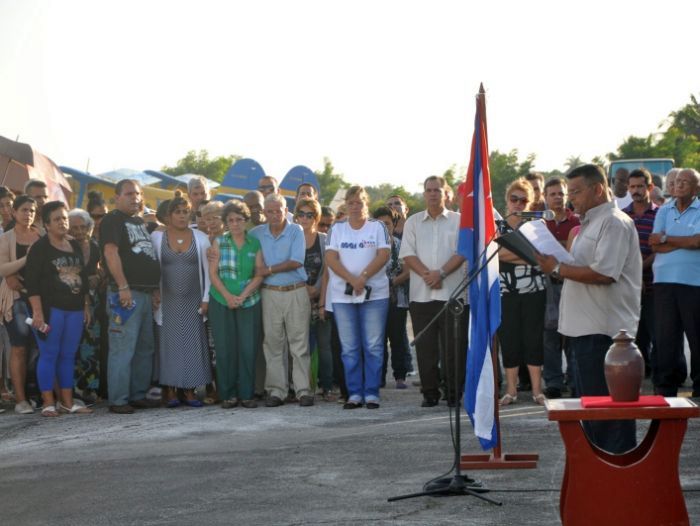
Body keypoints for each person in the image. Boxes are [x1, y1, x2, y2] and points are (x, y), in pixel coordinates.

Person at [536, 164, 641, 454]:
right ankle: (602, 472)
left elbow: (605, 273)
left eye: (577, 192)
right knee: (591, 411)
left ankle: (618, 472)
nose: (571, 199)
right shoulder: (589, 224)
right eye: (570, 192)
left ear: (597, 189)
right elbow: (582, 269)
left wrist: (557, 267)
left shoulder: (614, 222)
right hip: (583, 330)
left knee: (608, 415)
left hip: (605, 334)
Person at [399, 175, 468, 408]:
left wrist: (442, 273)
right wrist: (429, 274)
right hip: (422, 295)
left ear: (446, 193)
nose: (432, 194)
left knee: (454, 349)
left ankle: (453, 394)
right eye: (428, 190)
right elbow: (407, 254)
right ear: (423, 193)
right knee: (426, 348)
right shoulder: (413, 222)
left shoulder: (460, 220)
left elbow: (463, 251)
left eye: (437, 190)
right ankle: (429, 393)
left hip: (453, 294)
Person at [25, 201, 92, 416]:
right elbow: (32, 283)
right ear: (46, 224)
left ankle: (67, 402)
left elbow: (82, 278)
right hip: (50, 309)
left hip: (74, 309)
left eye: (64, 218)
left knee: (68, 355)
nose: (63, 223)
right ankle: (48, 403)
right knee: (49, 354)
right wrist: (37, 312)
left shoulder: (75, 246)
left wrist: (86, 305)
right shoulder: (39, 248)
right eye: (57, 219)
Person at [325, 186, 390, 409]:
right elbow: (331, 258)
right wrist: (352, 280)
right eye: (351, 202)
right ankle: (354, 393)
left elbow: (384, 254)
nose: (355, 206)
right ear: (346, 205)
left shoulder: (377, 227)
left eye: (359, 202)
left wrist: (363, 277)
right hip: (343, 296)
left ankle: (371, 393)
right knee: (349, 347)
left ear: (366, 204)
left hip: (375, 294)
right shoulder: (337, 229)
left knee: (373, 345)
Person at [100, 179, 161, 414]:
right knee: (122, 348)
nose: (134, 198)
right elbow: (110, 252)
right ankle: (118, 400)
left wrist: (154, 289)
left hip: (145, 294)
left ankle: (137, 395)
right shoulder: (112, 220)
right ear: (117, 197)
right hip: (124, 294)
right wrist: (122, 285)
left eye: (137, 194)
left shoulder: (138, 222)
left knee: (145, 348)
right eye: (128, 194)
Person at [251, 194, 313, 407]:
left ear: (286, 210)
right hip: (269, 293)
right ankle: (277, 391)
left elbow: (296, 261)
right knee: (273, 344)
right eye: (270, 211)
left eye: (279, 210)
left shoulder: (295, 230)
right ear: (264, 213)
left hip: (295, 291)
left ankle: (303, 390)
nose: (275, 214)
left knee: (299, 344)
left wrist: (267, 269)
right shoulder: (256, 233)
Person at [152, 196, 212, 408]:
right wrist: (153, 293)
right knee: (169, 347)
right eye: (177, 212)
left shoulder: (202, 238)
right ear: (168, 216)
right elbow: (152, 270)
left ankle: (189, 390)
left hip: (193, 302)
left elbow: (209, 273)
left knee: (192, 345)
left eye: (185, 212)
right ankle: (169, 390)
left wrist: (206, 299)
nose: (182, 216)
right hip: (167, 303)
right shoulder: (157, 238)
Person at [649, 168, 700, 398]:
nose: (678, 185)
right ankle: (666, 386)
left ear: (696, 188)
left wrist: (667, 238)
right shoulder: (664, 210)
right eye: (677, 181)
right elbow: (653, 243)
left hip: (693, 282)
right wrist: (683, 241)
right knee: (666, 335)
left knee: (696, 336)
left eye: (685, 182)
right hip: (663, 282)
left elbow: (697, 242)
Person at [209, 200, 264, 408]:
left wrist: (243, 295)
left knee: (248, 349)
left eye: (239, 219)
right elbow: (213, 274)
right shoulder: (219, 242)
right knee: (225, 350)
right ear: (225, 222)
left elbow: (259, 274)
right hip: (221, 300)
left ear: (245, 220)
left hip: (249, 301)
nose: (234, 223)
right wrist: (228, 297)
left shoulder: (254, 244)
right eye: (230, 220)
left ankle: (247, 394)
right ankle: (228, 394)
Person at [497, 179, 547, 406]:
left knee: (533, 338)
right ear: (507, 201)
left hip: (534, 290)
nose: (518, 204)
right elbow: (494, 254)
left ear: (531, 202)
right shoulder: (498, 226)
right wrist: (527, 255)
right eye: (513, 199)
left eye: (523, 200)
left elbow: (541, 255)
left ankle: (537, 391)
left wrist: (512, 253)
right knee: (510, 340)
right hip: (506, 290)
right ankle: (511, 390)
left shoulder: (537, 225)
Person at [0, 196, 41, 414]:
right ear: (14, 212)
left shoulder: (42, 235)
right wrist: (27, 258)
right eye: (24, 210)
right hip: (16, 299)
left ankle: (38, 394)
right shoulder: (6, 238)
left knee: (40, 348)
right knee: (19, 347)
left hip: (42, 299)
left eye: (32, 210)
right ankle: (21, 399)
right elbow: (3, 269)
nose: (28, 214)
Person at [542, 177, 580, 399]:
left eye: (560, 193)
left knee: (573, 335)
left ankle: (575, 380)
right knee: (550, 336)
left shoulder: (577, 222)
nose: (557, 197)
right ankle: (554, 383)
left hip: (572, 282)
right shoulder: (540, 224)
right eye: (552, 194)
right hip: (548, 285)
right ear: (545, 198)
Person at [295, 198, 334, 400]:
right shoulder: (292, 238)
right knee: (301, 346)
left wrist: (318, 293)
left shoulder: (325, 240)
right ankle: (304, 388)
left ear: (316, 217)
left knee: (324, 345)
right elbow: (290, 267)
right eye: (301, 214)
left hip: (321, 298)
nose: (304, 218)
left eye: (309, 214)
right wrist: (304, 288)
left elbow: (328, 272)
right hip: (297, 299)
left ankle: (327, 387)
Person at [621, 169, 658, 375]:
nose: (635, 190)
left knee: (658, 332)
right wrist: (634, 274)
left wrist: (640, 269)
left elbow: (660, 249)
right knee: (635, 334)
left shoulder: (661, 213)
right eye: (632, 187)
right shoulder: (623, 216)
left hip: (653, 284)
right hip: (629, 286)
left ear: (649, 188)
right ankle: (640, 373)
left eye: (640, 186)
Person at [373, 206, 411, 389]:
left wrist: (391, 282)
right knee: (377, 339)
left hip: (398, 298)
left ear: (394, 224)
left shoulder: (400, 244)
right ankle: (378, 376)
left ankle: (400, 375)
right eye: (379, 223)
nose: (383, 227)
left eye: (387, 223)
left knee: (396, 338)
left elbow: (408, 271)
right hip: (375, 299)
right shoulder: (369, 245)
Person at [68, 209, 102, 399]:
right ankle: (71, 388)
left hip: (94, 301)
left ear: (89, 228)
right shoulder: (65, 247)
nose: (79, 232)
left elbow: (100, 269)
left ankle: (91, 386)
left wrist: (98, 275)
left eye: (83, 227)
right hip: (71, 300)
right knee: (72, 343)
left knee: (91, 344)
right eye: (74, 228)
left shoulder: (95, 246)